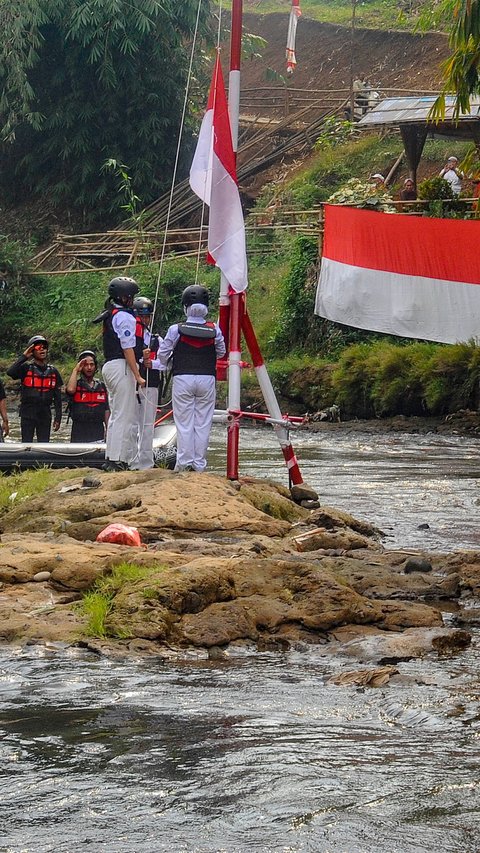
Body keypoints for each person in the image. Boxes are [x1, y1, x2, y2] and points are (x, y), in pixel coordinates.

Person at [151, 285, 225, 473]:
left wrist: (168, 363)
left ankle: (184, 463)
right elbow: (221, 352)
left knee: (184, 423)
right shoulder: (214, 329)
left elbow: (163, 354)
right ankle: (199, 465)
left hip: (183, 378)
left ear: (185, 306)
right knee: (203, 422)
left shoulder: (176, 329)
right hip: (207, 379)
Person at [99, 276, 146, 470]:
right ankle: (118, 459)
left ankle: (112, 456)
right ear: (124, 297)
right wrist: (137, 374)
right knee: (124, 415)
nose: (132, 300)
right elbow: (127, 348)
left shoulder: (110, 313)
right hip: (121, 367)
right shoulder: (124, 317)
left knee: (117, 413)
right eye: (131, 296)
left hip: (111, 366)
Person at [6, 335, 63, 442]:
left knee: (44, 443)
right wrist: (24, 357)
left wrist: (58, 417)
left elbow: (57, 397)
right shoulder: (25, 368)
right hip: (28, 412)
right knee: (26, 442)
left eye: (44, 347)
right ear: (32, 351)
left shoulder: (53, 371)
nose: (42, 349)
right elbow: (10, 372)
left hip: (45, 413)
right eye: (38, 347)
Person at [130, 296, 164, 470]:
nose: (144, 320)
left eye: (147, 316)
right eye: (141, 317)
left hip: (151, 385)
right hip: (134, 384)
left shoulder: (156, 340)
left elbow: (166, 362)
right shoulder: (130, 338)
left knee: (147, 424)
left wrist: (153, 363)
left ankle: (146, 463)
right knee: (132, 423)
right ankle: (131, 461)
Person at [66, 350, 109, 442]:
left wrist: (108, 429)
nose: (89, 368)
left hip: (97, 429)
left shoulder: (102, 386)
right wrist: (75, 370)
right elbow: (70, 390)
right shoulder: (76, 385)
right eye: (85, 365)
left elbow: (106, 409)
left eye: (92, 364)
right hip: (79, 429)